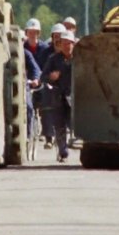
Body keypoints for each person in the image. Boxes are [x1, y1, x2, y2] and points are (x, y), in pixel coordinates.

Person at [41, 29, 76, 163]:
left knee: (74, 123)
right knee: (59, 125)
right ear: (60, 44)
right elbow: (43, 77)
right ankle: (62, 150)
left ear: (73, 44)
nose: (67, 46)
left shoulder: (79, 58)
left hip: (75, 97)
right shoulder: (53, 59)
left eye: (69, 43)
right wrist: (51, 77)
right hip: (58, 97)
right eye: (64, 43)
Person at [38, 23, 67, 149]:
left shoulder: (70, 54)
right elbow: (41, 73)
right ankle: (49, 137)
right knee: (46, 102)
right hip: (49, 87)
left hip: (66, 88)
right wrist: (50, 77)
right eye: (56, 36)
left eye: (60, 37)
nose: (58, 39)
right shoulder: (46, 53)